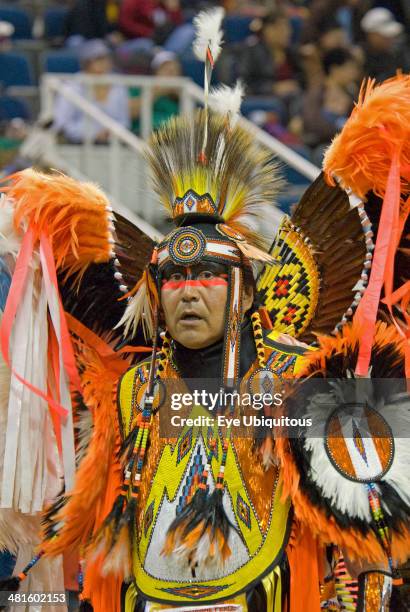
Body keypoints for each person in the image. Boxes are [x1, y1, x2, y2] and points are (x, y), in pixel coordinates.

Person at [0, 10, 409, 612]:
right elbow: (109, 511)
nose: (188, 291)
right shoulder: (133, 390)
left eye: (206, 276)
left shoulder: (305, 376)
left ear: (240, 287)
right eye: (174, 278)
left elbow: (375, 518)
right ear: (153, 293)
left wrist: (373, 590)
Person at [53, 39, 130, 144]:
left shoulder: (118, 85)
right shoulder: (72, 87)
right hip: (78, 145)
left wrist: (111, 133)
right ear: (86, 63)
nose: (105, 63)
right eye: (99, 59)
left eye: (106, 58)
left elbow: (124, 120)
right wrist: (93, 134)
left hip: (112, 144)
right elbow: (62, 124)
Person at [302, 47, 361, 153]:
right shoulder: (316, 94)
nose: (354, 73)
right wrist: (341, 131)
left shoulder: (351, 95)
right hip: (323, 145)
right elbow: (311, 123)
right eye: (349, 68)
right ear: (335, 69)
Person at [239, 10, 302, 98]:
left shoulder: (293, 53)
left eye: (288, 27)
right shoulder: (253, 52)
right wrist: (273, 88)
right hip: (265, 102)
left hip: (293, 101)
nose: (287, 32)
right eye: (281, 28)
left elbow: (302, 80)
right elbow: (243, 85)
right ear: (268, 30)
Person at [129, 50, 181, 135]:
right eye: (166, 70)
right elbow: (130, 114)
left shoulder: (185, 94)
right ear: (155, 73)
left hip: (174, 138)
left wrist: (179, 96)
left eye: (174, 70)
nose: (170, 74)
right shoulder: (140, 88)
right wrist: (156, 93)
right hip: (143, 136)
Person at [360, 7, 410, 81]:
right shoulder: (359, 59)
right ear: (372, 35)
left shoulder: (395, 55)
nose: (391, 39)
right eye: (385, 36)